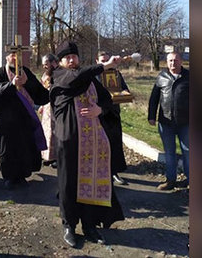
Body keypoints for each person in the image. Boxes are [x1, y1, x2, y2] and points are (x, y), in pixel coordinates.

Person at [50, 41, 125, 248]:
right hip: (69, 143)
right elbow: (76, 78)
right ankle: (69, 226)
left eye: (74, 56)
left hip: (91, 144)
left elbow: (108, 100)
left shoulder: (91, 80)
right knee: (69, 184)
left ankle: (89, 225)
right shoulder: (60, 76)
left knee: (89, 183)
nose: (72, 60)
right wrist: (105, 66)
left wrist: (99, 110)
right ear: (61, 62)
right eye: (67, 57)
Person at [0, 51, 49, 189]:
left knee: (24, 146)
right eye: (12, 55)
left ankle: (21, 175)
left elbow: (40, 94)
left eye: (18, 55)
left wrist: (27, 83)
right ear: (7, 56)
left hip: (24, 118)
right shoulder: (0, 73)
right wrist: (11, 85)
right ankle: (9, 177)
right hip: (6, 119)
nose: (15, 58)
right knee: (8, 148)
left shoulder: (25, 72)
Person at [148, 51, 189, 191]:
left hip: (186, 123)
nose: (173, 63)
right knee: (169, 153)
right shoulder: (162, 77)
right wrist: (151, 116)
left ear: (181, 61)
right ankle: (170, 180)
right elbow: (154, 99)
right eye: (170, 60)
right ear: (167, 62)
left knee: (188, 152)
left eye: (176, 60)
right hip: (166, 123)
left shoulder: (189, 77)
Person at [96, 51, 130, 185]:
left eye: (106, 60)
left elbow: (124, 88)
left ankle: (113, 172)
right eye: (102, 60)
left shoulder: (116, 74)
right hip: (99, 114)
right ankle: (100, 173)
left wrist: (125, 94)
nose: (105, 63)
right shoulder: (93, 75)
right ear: (97, 61)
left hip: (114, 113)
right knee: (100, 145)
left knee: (114, 143)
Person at [39, 53, 59, 168]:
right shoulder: (45, 75)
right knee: (47, 132)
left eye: (46, 64)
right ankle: (48, 156)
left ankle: (57, 157)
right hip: (47, 108)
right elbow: (43, 90)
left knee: (56, 132)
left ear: (53, 63)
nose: (44, 67)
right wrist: (42, 105)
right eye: (43, 65)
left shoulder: (59, 74)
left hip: (57, 106)